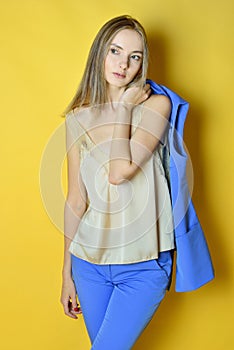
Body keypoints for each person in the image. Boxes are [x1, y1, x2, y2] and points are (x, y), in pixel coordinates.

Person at [60, 15, 214, 349]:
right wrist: (65, 273)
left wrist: (125, 110)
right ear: (99, 54)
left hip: (143, 267)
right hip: (88, 264)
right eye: (115, 51)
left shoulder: (158, 105)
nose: (123, 64)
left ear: (143, 63)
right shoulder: (77, 118)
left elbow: (120, 171)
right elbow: (76, 199)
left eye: (135, 56)